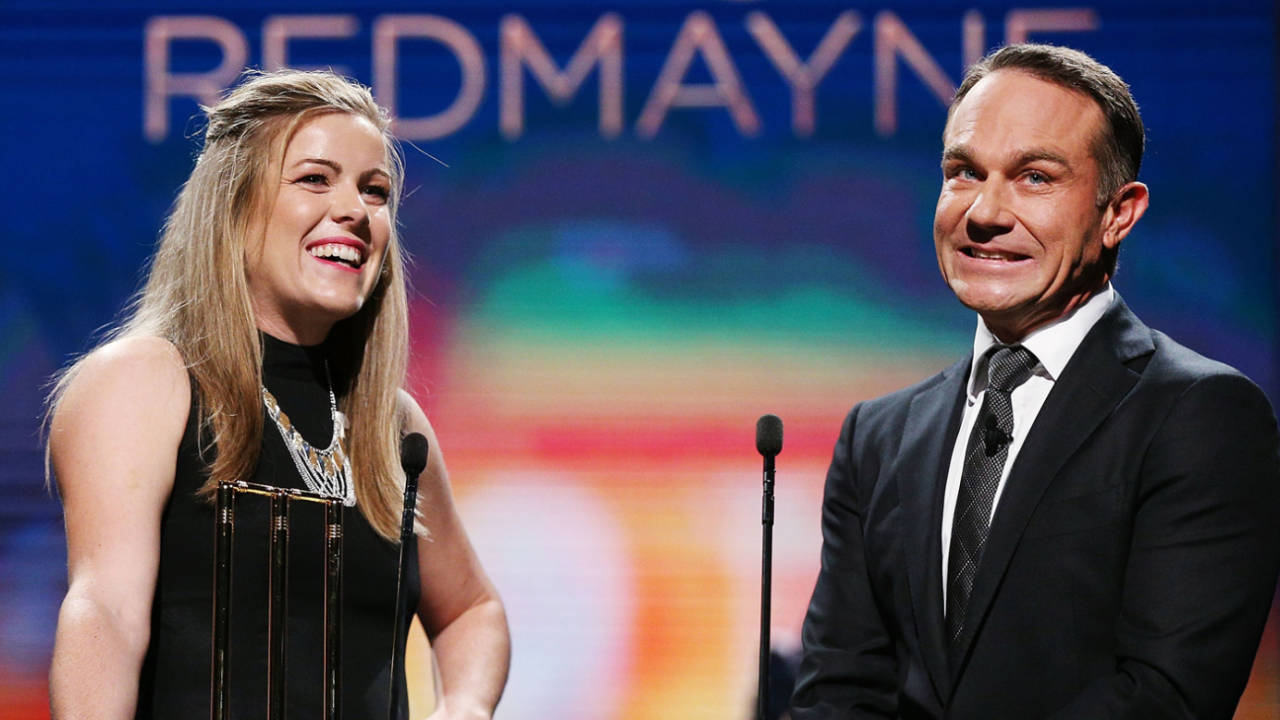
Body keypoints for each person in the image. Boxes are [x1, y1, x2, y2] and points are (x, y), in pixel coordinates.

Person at [791, 43, 1280, 719]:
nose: (985, 212)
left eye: (1035, 178)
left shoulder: (1200, 414)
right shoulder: (878, 436)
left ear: (1119, 214)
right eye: (963, 172)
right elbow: (839, 692)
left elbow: (1167, 696)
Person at [46, 69, 510, 719]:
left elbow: (472, 609)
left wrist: (464, 705)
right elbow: (108, 614)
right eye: (316, 179)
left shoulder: (389, 425)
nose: (355, 210)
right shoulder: (142, 383)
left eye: (375, 192)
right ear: (234, 206)